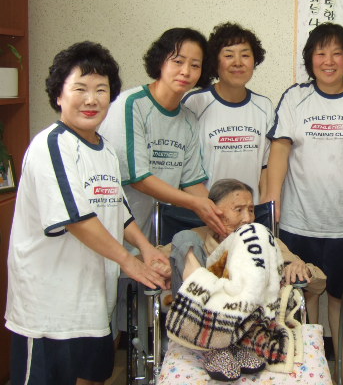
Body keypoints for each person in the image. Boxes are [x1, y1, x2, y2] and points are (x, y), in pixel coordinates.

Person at [5, 42, 170, 385]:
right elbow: (77, 220)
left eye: (101, 90)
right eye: (80, 89)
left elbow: (117, 210)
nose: (91, 99)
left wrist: (146, 248)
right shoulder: (52, 145)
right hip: (50, 310)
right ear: (59, 95)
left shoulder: (104, 149)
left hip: (92, 303)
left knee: (93, 378)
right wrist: (130, 262)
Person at [265, 22, 343, 356]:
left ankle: (341, 364)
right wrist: (272, 197)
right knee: (304, 295)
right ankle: (309, 364)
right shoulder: (295, 97)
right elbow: (280, 148)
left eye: (337, 53)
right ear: (310, 59)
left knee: (339, 297)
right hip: (299, 221)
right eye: (321, 53)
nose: (328, 61)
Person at [99, 27, 226, 332]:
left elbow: (192, 182)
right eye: (178, 61)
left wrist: (220, 214)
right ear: (160, 61)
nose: (186, 71)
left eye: (195, 65)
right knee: (102, 319)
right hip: (110, 225)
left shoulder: (187, 119)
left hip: (146, 232)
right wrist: (196, 205)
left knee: (133, 320)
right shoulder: (131, 105)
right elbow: (139, 178)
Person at [166, 178, 326, 381]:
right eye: (239, 210)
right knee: (183, 239)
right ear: (214, 212)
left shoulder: (261, 239)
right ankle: (216, 342)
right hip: (201, 319)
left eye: (251, 210)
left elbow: (319, 281)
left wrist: (300, 268)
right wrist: (162, 267)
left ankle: (229, 342)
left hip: (251, 323)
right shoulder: (197, 238)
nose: (248, 218)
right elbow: (153, 260)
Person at [183, 22, 274, 202]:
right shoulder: (196, 103)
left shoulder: (264, 106)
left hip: (249, 213)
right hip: (206, 211)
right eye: (229, 55)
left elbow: (265, 168)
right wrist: (218, 211)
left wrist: (263, 208)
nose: (238, 63)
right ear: (215, 61)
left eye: (245, 55)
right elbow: (186, 172)